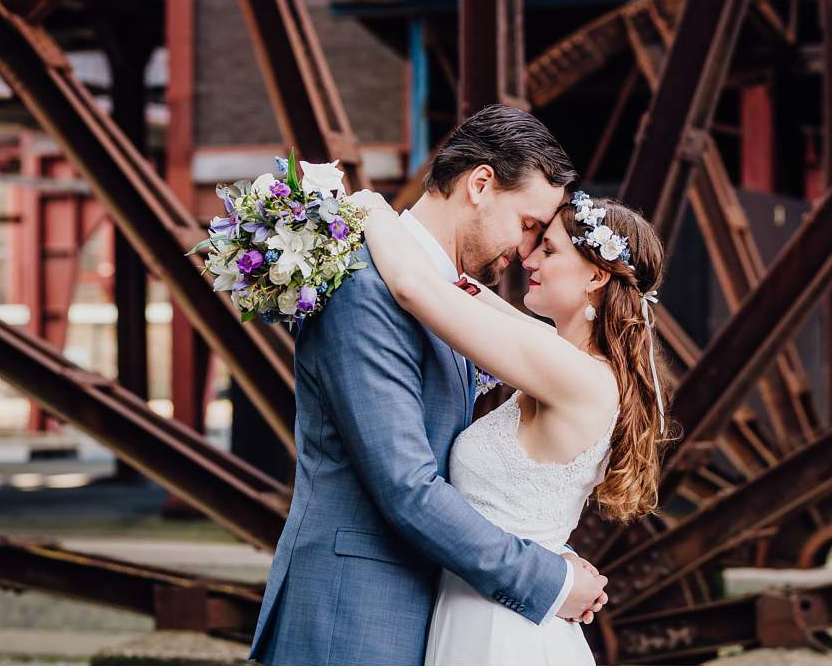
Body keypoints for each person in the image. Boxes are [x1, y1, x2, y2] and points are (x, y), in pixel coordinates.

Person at [249, 105, 609, 665]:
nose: (526, 250)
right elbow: (406, 487)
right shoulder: (365, 288)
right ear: (481, 184)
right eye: (528, 224)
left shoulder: (449, 298)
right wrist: (549, 578)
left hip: (432, 612)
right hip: (353, 618)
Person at [346, 177, 672, 664]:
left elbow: (417, 289)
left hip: (501, 626)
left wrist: (367, 206)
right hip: (494, 603)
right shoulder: (572, 360)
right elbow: (466, 291)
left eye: (549, 250)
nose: (529, 259)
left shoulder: (572, 373)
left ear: (596, 277)